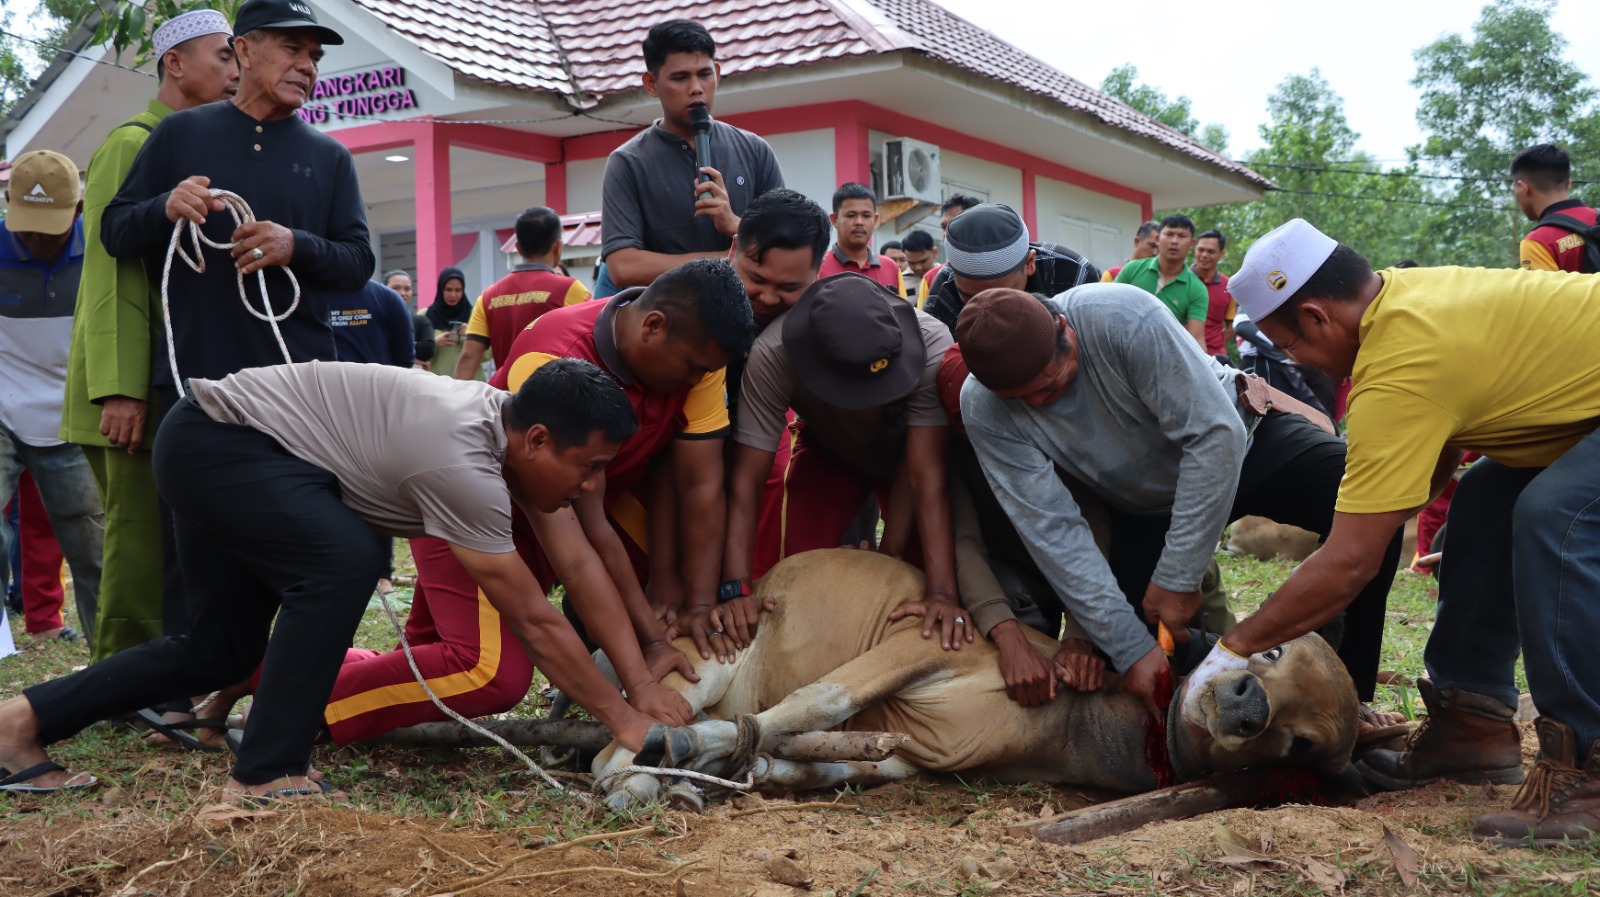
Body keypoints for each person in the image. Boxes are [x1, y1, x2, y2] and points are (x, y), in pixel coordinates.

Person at [0, 358, 698, 797]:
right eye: (589, 468)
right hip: (220, 439)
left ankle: (18, 722)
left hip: (213, 442)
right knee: (348, 561)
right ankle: (269, 770)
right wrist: (624, 719)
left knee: (218, 651)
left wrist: (639, 682)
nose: (591, 487)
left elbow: (576, 564)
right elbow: (535, 621)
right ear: (538, 439)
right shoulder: (463, 463)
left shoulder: (501, 437)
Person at [1187, 218, 1600, 845]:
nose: (1294, 360)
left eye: (1289, 344)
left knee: (1555, 515)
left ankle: (1589, 766)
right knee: (1484, 497)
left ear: (1317, 316)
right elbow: (1435, 460)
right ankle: (1472, 729)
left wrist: (1230, 650)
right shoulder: (1404, 297)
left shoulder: (1398, 367)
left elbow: (1351, 562)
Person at [320, 261, 750, 743]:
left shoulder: (697, 360)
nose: (696, 379)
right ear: (653, 327)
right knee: (487, 672)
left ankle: (294, 670)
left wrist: (653, 642)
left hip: (540, 516)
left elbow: (607, 527)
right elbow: (574, 560)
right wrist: (636, 691)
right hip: (473, 509)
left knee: (432, 658)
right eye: (691, 367)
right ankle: (299, 698)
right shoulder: (553, 358)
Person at [955, 285, 1400, 717]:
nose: (1039, 402)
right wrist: (1133, 651)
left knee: (1368, 501)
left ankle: (1349, 695)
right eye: (1023, 400)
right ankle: (1249, 681)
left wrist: (1178, 576)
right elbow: (1053, 531)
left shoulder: (1121, 316)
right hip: (1144, 507)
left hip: (1243, 441)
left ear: (1065, 328)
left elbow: (1214, 435)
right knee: (1126, 651)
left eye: (1050, 387)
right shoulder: (982, 407)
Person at [59, 8, 238, 660]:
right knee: (138, 547)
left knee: (177, 546)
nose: (236, 70)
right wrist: (121, 389)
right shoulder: (132, 142)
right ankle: (120, 685)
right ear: (175, 63)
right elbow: (111, 277)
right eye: (224, 56)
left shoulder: (203, 147)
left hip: (177, 382)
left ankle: (170, 674)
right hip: (130, 390)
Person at [723, 273, 967, 652]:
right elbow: (748, 479)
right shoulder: (773, 354)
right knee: (793, 574)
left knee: (920, 586)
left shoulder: (932, 341)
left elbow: (925, 473)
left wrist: (938, 590)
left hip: (908, 456)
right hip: (829, 451)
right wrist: (735, 587)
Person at [0, 150, 104, 649]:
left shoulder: (103, 253)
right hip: (2, 411)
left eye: (51, 230)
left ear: (78, 210)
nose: (37, 240)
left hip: (72, 416)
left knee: (93, 550)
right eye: (27, 228)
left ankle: (113, 663)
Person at [601, 19, 784, 289]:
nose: (696, 88)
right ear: (651, 84)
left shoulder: (755, 150)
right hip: (667, 313)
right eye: (680, 78)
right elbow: (624, 267)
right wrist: (729, 260)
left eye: (704, 74)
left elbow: (786, 247)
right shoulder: (628, 163)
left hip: (751, 312)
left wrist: (735, 223)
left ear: (717, 74)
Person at [453, 206, 590, 380]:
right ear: (557, 247)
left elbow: (468, 357)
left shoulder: (488, 297)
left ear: (517, 248)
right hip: (555, 394)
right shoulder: (570, 290)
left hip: (505, 394)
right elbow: (595, 344)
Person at [923, 203, 1099, 332]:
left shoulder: (1074, 275)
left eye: (1002, 296)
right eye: (970, 297)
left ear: (1029, 263)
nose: (988, 309)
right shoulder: (943, 293)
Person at [1114, 213, 1208, 349]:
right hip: (1119, 346)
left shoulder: (1197, 289)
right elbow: (1108, 307)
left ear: (1192, 243)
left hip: (1162, 354)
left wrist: (1203, 361)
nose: (1174, 241)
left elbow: (1197, 338)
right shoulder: (1132, 269)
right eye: (1169, 234)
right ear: (1158, 238)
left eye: (1182, 236)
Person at [1511, 143, 1597, 273]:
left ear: (1523, 187)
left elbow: (1542, 287)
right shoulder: (1596, 217)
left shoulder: (1538, 243)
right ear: (1569, 183)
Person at [817, 183, 906, 296]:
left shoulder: (891, 268)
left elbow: (902, 307)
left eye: (866, 216)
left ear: (875, 220)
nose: (859, 222)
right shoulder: (818, 268)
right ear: (834, 219)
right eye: (851, 215)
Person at [328, 280, 416, 368]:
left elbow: (405, 357)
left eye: (407, 289)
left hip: (378, 375)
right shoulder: (319, 296)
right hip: (328, 374)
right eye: (397, 287)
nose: (402, 293)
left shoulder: (388, 298)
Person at [916, 194, 981, 304]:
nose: (946, 234)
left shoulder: (1001, 271)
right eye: (943, 227)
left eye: (954, 225)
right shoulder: (931, 278)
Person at [1191, 229, 1236, 359]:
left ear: (1221, 254)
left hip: (1215, 357)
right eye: (1200, 250)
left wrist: (1216, 344)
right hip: (1182, 352)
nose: (1204, 255)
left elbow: (1232, 327)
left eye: (1211, 251)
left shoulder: (1229, 287)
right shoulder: (1181, 280)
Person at [424, 267, 476, 379]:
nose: (453, 295)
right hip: (438, 383)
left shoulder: (475, 315)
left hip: (470, 383)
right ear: (440, 289)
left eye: (458, 290)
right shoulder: (425, 316)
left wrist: (472, 335)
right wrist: (433, 344)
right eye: (448, 289)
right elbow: (415, 355)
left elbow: (489, 353)